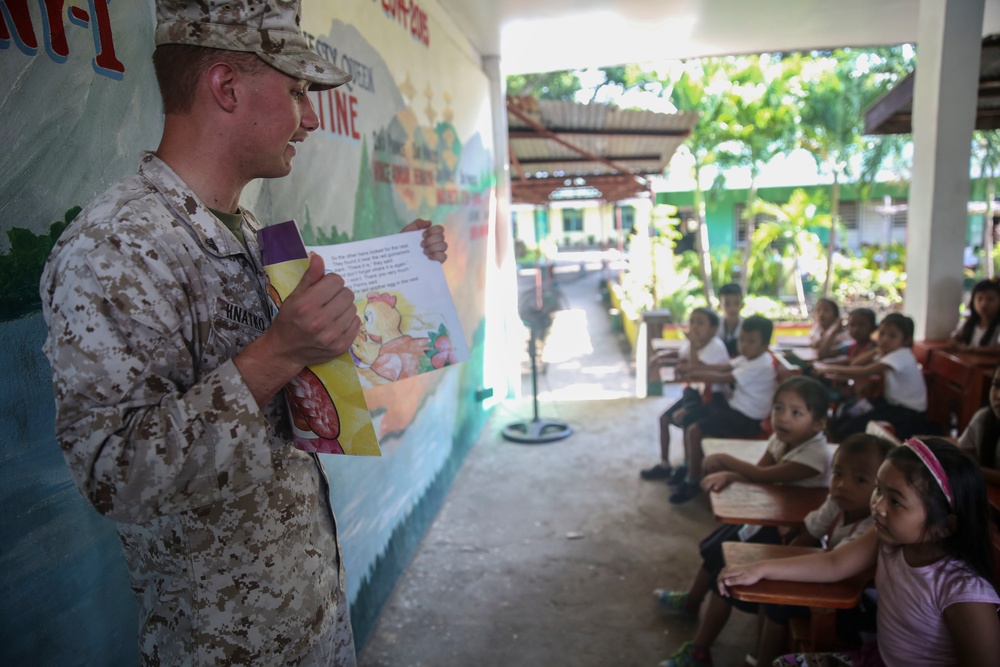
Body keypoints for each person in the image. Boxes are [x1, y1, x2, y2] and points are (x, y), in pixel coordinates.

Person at [38, 2, 447, 664]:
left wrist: (389, 276)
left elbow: (306, 383)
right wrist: (276, 352)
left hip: (311, 619)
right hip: (223, 647)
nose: (311, 117)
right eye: (296, 91)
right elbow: (115, 477)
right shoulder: (114, 247)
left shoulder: (254, 235)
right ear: (226, 87)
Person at [719, 438, 1000, 666]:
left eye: (896, 501)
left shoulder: (963, 591)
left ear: (945, 526)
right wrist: (761, 568)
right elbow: (834, 563)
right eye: (879, 490)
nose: (877, 506)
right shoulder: (888, 540)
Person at [655, 376, 833, 667]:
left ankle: (700, 650)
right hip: (768, 518)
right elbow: (762, 471)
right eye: (778, 408)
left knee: (726, 574)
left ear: (818, 424)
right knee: (716, 547)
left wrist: (725, 460)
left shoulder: (815, 455)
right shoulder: (783, 437)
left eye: (796, 412)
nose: (783, 418)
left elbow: (762, 476)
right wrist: (731, 476)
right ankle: (691, 601)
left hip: (790, 537)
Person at [753, 434, 893, 667]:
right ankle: (759, 654)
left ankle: (764, 661)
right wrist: (777, 568)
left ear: (881, 489)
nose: (842, 485)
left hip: (863, 607)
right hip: (832, 582)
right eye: (837, 473)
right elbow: (807, 536)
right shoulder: (836, 503)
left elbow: (839, 568)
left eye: (859, 479)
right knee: (770, 590)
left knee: (780, 603)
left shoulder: (874, 525)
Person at [668, 315, 779, 504]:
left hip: (747, 419)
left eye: (751, 342)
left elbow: (725, 377)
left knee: (695, 430)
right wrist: (693, 371)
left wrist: (693, 372)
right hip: (734, 408)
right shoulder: (749, 358)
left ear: (765, 344)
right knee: (687, 417)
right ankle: (689, 466)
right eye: (742, 339)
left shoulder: (761, 363)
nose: (744, 345)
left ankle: (693, 481)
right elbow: (721, 368)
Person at [641, 307, 730, 483]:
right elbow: (682, 353)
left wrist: (692, 347)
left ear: (713, 329)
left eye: (700, 322)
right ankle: (665, 464)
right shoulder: (695, 343)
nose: (694, 326)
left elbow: (694, 370)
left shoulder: (715, 346)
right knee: (664, 419)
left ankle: (689, 469)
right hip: (695, 395)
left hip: (713, 400)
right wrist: (659, 356)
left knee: (685, 420)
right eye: (692, 321)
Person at [819, 313, 930, 442]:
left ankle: (839, 444)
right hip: (890, 404)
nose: (885, 339)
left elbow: (864, 371)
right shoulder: (889, 353)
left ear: (905, 340)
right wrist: (876, 350)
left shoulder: (901, 355)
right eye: (881, 334)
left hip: (907, 413)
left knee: (855, 425)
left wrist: (826, 368)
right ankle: (834, 437)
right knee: (848, 416)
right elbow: (855, 363)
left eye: (892, 336)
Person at [957, 363, 1000, 488]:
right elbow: (964, 451)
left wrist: (972, 469)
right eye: (996, 385)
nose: (998, 396)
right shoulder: (983, 417)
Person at [951, 278, 1000, 353]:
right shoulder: (968, 322)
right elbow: (955, 338)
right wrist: (954, 341)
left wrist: (971, 349)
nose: (984, 304)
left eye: (991, 299)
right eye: (979, 298)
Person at [718, 283, 744, 357]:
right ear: (720, 306)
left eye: (736, 303)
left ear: (742, 304)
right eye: (727, 304)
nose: (732, 308)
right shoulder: (714, 325)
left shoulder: (747, 326)